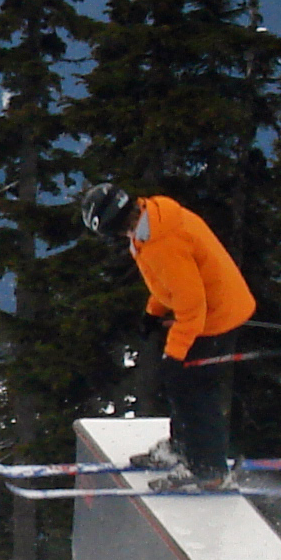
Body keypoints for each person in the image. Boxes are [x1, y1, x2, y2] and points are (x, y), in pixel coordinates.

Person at [77, 184, 255, 484]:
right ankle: (184, 448)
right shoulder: (151, 221)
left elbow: (191, 307)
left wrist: (174, 355)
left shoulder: (162, 242)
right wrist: (154, 311)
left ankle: (208, 470)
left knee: (194, 388)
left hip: (215, 318)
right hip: (213, 308)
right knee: (182, 385)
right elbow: (170, 282)